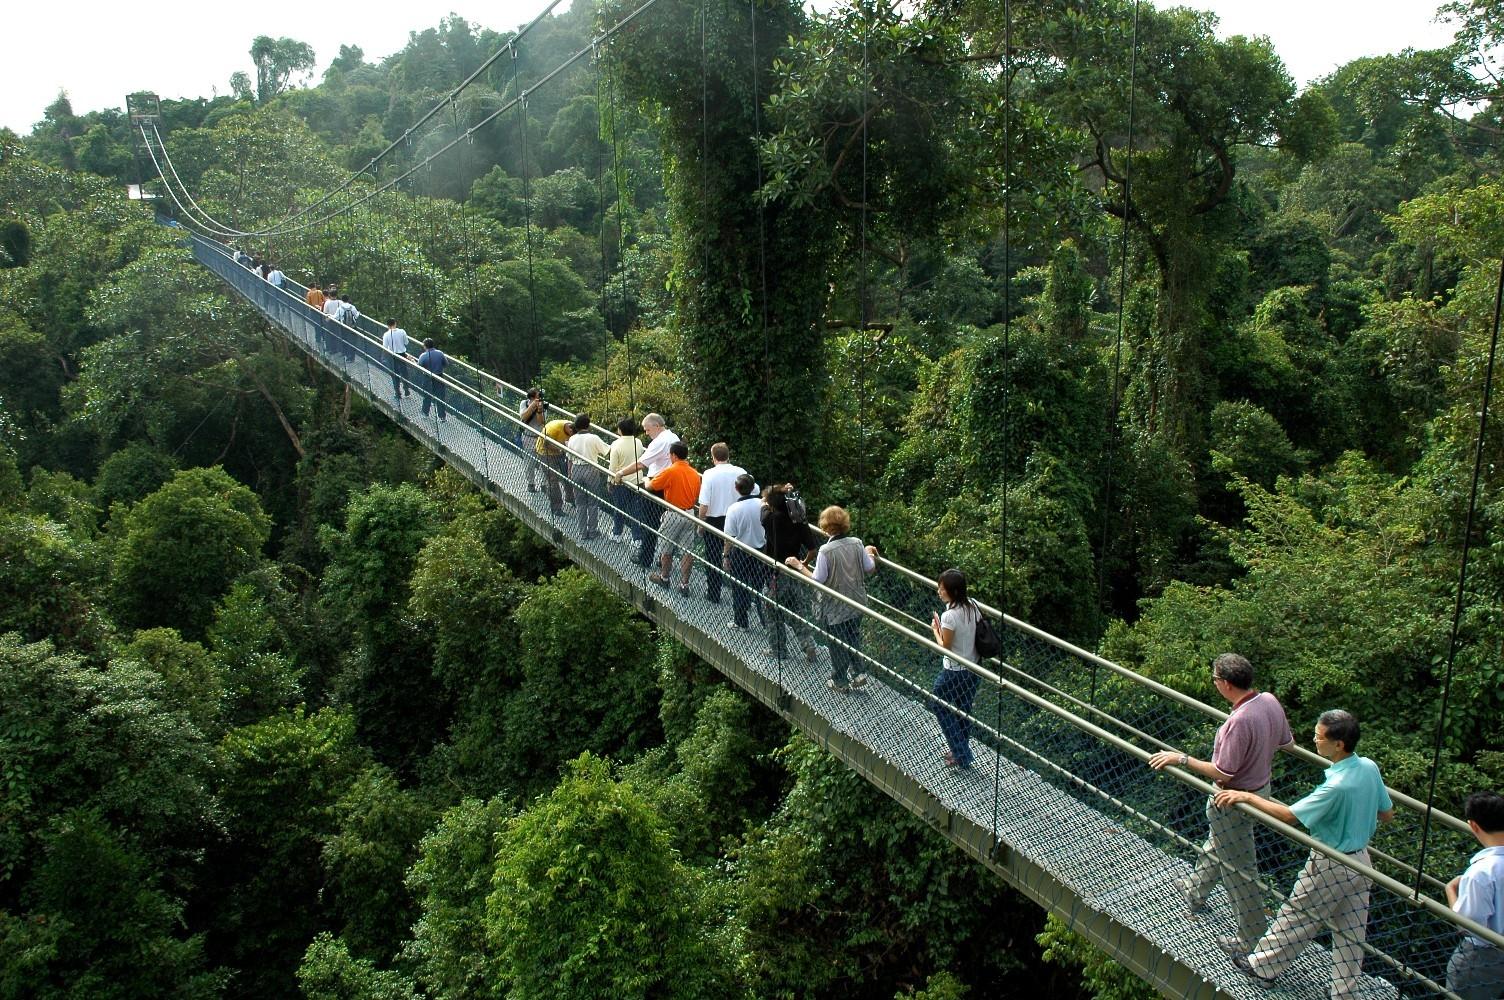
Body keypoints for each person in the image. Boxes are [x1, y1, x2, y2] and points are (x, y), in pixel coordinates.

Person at [1214, 710, 1393, 998]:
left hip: (1331, 861)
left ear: (1339, 744)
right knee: (1351, 931)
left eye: (1319, 736)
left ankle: (1262, 967)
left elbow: (1288, 815)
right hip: (1361, 861)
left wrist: (1247, 796)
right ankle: (1343, 991)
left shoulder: (1336, 787)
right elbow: (1387, 813)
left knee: (1297, 913)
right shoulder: (1369, 768)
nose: (1314, 740)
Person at [1147, 653, 1293, 950]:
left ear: (1225, 684)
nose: (1214, 683)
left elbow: (1222, 771)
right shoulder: (1268, 701)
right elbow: (1286, 743)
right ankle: (1195, 890)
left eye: (1215, 679)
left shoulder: (1239, 721)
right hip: (1260, 790)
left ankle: (1250, 937)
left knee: (1239, 869)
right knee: (1220, 842)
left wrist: (1182, 758)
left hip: (1232, 800)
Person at [786, 505, 877, 692]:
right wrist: (869, 552)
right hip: (857, 601)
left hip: (835, 606)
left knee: (837, 642)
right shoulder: (857, 543)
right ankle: (859, 672)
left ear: (825, 527)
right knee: (852, 636)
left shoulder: (826, 551)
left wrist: (798, 565)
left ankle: (840, 681)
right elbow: (870, 568)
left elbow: (817, 580)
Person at [1446, 790, 1504, 1000]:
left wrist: (1451, 892)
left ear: (1473, 825)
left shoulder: (1481, 873)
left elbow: (1468, 925)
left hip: (1481, 958)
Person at [610, 413, 679, 568]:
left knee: (650, 523)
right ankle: (663, 558)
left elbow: (641, 464)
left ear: (656, 426)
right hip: (669, 486)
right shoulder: (673, 436)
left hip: (657, 487)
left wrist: (620, 473)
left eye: (647, 429)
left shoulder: (660, 441)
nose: (646, 433)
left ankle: (645, 558)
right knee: (664, 524)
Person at [929, 568, 981, 768]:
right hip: (974, 667)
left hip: (954, 671)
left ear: (954, 591)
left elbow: (946, 647)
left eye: (942, 589)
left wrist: (935, 630)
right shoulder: (973, 605)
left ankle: (961, 752)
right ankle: (960, 751)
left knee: (938, 703)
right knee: (963, 710)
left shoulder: (949, 616)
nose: (939, 591)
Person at [762, 483, 820, 663]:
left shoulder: (769, 519)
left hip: (775, 574)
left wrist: (775, 493)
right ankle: (808, 644)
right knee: (797, 610)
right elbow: (812, 549)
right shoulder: (799, 521)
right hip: (794, 572)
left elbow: (763, 504)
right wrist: (803, 564)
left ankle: (778, 650)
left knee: (772, 612)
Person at [697, 442, 753, 606]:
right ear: (728, 456)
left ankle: (714, 594)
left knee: (713, 557)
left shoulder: (709, 474)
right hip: (738, 518)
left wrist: (701, 524)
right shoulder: (741, 472)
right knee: (739, 560)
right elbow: (754, 492)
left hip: (715, 521)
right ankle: (744, 600)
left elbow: (704, 504)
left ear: (713, 457)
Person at [645, 441, 701, 594]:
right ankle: (684, 585)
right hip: (690, 514)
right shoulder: (695, 473)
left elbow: (651, 486)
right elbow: (696, 496)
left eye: (670, 455)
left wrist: (646, 480)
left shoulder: (671, 471)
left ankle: (664, 578)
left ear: (674, 455)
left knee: (666, 548)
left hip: (673, 514)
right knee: (687, 551)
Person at [722, 473, 767, 630]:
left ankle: (741, 622)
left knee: (739, 587)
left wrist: (726, 556)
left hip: (740, 552)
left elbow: (729, 537)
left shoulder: (734, 509)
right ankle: (765, 622)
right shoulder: (763, 504)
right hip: (761, 552)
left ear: (736, 488)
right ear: (754, 487)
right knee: (760, 589)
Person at [565, 414, 609, 539]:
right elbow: (606, 451)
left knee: (580, 503)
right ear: (588, 425)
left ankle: (582, 533)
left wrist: (570, 472)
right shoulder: (593, 438)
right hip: (591, 470)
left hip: (576, 469)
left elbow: (569, 458)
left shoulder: (572, 439)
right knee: (593, 502)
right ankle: (593, 531)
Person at [606, 417, 645, 542]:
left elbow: (612, 467)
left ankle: (617, 534)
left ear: (620, 430)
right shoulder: (638, 442)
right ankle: (637, 539)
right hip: (638, 481)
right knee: (637, 511)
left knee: (619, 509)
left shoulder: (616, 444)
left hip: (621, 482)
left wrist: (610, 481)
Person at [535, 415, 577, 516]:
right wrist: (561, 448)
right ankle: (556, 507)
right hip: (545, 453)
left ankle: (571, 498)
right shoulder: (554, 428)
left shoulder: (573, 429)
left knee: (567, 475)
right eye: (571, 434)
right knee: (553, 480)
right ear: (569, 429)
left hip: (561, 453)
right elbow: (546, 444)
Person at [518, 388, 547, 492]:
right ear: (532, 397)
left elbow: (541, 422)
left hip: (540, 437)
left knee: (543, 462)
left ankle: (544, 484)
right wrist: (532, 406)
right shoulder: (524, 403)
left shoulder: (543, 405)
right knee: (529, 462)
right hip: (528, 437)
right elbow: (523, 417)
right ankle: (531, 483)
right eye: (537, 397)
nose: (539, 399)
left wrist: (539, 409)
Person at [417, 338, 448, 420]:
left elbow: (419, 366)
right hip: (439, 377)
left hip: (428, 377)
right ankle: (442, 416)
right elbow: (445, 364)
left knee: (427, 396)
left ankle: (425, 413)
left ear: (425, 346)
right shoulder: (440, 353)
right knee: (440, 397)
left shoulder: (423, 356)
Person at [382, 319, 410, 399]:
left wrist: (384, 356)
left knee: (394, 374)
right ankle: (406, 389)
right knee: (404, 372)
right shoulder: (402, 331)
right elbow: (406, 342)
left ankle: (398, 393)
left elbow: (385, 347)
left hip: (392, 356)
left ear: (387, 325)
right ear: (395, 323)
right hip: (402, 355)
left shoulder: (386, 334)